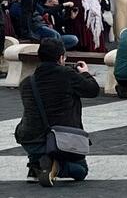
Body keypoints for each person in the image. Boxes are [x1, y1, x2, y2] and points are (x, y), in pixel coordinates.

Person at [15, 38, 99, 187]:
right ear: (61, 58)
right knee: (81, 170)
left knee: (37, 126)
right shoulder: (67, 74)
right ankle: (55, 167)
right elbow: (93, 90)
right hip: (60, 140)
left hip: (29, 139)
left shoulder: (27, 82)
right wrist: (85, 73)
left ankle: (35, 165)